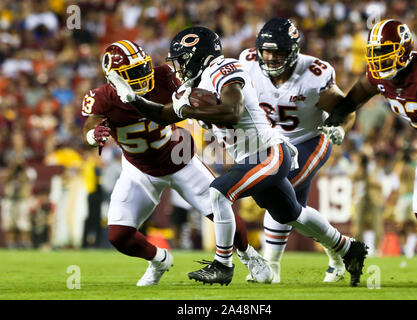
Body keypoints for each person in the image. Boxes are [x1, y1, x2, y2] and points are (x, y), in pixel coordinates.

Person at [109, 27, 369, 286]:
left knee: (218, 192)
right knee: (292, 214)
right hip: (251, 157)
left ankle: (223, 265)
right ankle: (348, 248)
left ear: (198, 56)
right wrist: (133, 99)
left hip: (268, 152)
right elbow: (163, 115)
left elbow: (233, 111)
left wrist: (190, 110)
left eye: (183, 60)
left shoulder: (223, 68)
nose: (178, 68)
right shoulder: (193, 85)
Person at [81, 40, 268, 286]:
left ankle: (250, 257)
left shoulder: (164, 76)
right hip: (139, 170)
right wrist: (92, 135)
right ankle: (158, 259)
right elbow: (90, 122)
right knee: (118, 235)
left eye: (143, 67)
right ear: (114, 77)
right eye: (134, 72)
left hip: (180, 159)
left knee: (223, 211)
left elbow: (189, 99)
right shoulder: (102, 97)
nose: (144, 74)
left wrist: (198, 106)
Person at [323, 19, 417, 283]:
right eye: (375, 53)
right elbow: (358, 93)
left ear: (403, 49)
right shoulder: (380, 77)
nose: (379, 59)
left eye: (385, 51)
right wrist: (338, 114)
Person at [238, 18, 357, 283]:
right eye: (266, 50)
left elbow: (344, 108)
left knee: (278, 188)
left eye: (277, 51)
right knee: (293, 211)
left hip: (311, 139)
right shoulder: (247, 64)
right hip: (272, 143)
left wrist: (341, 128)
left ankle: (271, 267)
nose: (269, 57)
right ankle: (340, 254)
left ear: (293, 51)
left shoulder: (313, 74)